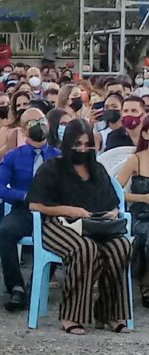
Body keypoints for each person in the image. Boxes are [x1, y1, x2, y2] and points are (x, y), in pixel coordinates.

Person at [27, 119, 132, 335]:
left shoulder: (98, 170)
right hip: (58, 226)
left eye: (87, 144)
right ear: (68, 143)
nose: (83, 149)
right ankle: (71, 315)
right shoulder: (52, 168)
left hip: (96, 226)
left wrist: (110, 214)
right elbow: (34, 204)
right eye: (78, 144)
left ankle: (110, 314)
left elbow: (112, 204)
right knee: (85, 249)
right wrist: (68, 210)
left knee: (121, 247)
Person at [0, 108, 60, 311]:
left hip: (52, 211)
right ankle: (16, 287)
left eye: (41, 120)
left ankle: (39, 281)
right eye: (31, 123)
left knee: (63, 232)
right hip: (24, 209)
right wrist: (24, 196)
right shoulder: (13, 156)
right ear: (22, 130)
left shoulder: (59, 156)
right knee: (5, 232)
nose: (38, 125)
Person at [116, 116, 149, 307]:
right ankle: (145, 284)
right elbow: (116, 190)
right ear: (145, 133)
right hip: (141, 216)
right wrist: (142, 198)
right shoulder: (135, 160)